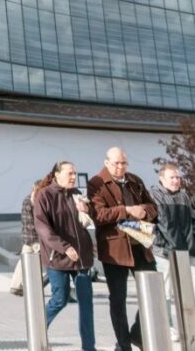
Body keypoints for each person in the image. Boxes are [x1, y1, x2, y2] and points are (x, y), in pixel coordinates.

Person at [88, 146, 158, 351]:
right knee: (118, 299)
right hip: (115, 249)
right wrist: (126, 211)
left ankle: (137, 333)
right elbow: (99, 215)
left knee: (153, 293)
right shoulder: (97, 183)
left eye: (124, 163)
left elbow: (153, 207)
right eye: (116, 163)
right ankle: (123, 344)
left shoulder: (134, 180)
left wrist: (143, 212)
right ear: (107, 162)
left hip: (140, 246)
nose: (121, 167)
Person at [33, 161, 96, 351]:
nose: (73, 177)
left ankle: (89, 347)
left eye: (74, 173)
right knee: (60, 299)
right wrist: (64, 247)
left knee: (86, 304)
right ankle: (37, 334)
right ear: (56, 175)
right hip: (57, 258)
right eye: (69, 173)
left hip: (81, 258)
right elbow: (43, 228)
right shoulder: (45, 195)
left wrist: (87, 210)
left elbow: (89, 217)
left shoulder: (77, 194)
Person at [151, 162, 195, 341]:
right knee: (166, 291)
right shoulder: (155, 195)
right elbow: (164, 224)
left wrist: (189, 247)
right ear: (162, 179)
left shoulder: (184, 197)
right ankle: (168, 327)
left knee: (190, 289)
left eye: (178, 177)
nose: (176, 180)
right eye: (172, 177)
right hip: (164, 251)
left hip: (186, 250)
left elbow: (191, 222)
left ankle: (189, 325)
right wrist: (179, 248)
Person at [9, 180, 44, 297]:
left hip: (27, 238)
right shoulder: (33, 201)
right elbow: (34, 222)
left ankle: (16, 285)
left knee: (23, 263)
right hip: (35, 239)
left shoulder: (28, 199)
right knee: (36, 265)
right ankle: (33, 287)